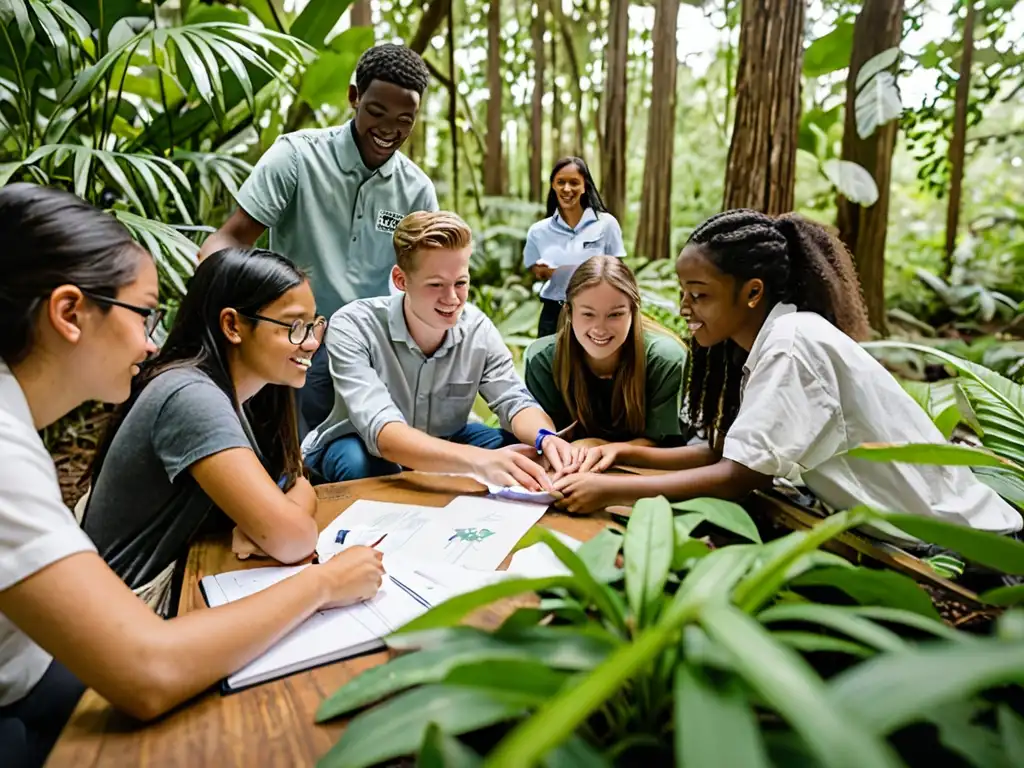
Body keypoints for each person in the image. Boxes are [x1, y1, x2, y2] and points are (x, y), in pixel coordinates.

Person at [0, 184, 384, 768]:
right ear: (70, 313)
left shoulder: (245, 397)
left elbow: (289, 490)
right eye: (143, 313)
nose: (151, 341)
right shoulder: (185, 394)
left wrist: (276, 512)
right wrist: (325, 584)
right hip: (47, 693)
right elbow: (147, 672)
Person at [553, 208, 1024, 544]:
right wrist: (621, 453)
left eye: (699, 295)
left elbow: (738, 476)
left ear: (752, 292)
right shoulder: (773, 341)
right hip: (920, 538)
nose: (684, 308)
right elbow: (723, 451)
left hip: (967, 550)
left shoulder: (792, 345)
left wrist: (610, 487)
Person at [198, 44, 439, 434]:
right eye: (377, 112)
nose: (389, 129)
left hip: (374, 346)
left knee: (364, 457)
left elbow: (426, 279)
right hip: (295, 336)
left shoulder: (417, 191)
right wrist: (215, 312)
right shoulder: (296, 156)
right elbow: (229, 238)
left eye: (405, 119)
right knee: (289, 449)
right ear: (354, 97)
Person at [82, 248, 327, 616]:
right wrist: (277, 522)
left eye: (313, 325)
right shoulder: (191, 397)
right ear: (233, 326)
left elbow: (295, 484)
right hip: (126, 612)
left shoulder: (255, 393)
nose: (310, 342)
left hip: (184, 579)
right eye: (294, 327)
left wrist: (273, 519)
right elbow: (293, 539)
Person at [303, 210, 579, 489]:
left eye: (460, 283)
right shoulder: (354, 326)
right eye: (435, 285)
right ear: (401, 280)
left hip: (449, 440)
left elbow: (513, 399)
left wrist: (545, 437)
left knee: (522, 452)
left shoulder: (477, 330)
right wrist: (480, 461)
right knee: (362, 464)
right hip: (361, 444)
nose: (452, 298)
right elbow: (384, 433)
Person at [524, 256, 686, 449]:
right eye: (588, 314)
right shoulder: (543, 360)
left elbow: (669, 445)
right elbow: (546, 439)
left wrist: (600, 447)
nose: (600, 328)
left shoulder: (664, 359)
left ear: (633, 312)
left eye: (615, 314)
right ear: (568, 311)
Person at [524, 157, 626, 338]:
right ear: (553, 185)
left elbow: (618, 271)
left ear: (585, 186)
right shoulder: (537, 231)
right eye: (561, 182)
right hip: (553, 314)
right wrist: (541, 271)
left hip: (595, 313)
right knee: (549, 364)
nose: (567, 189)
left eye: (574, 183)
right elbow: (534, 271)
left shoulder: (607, 224)